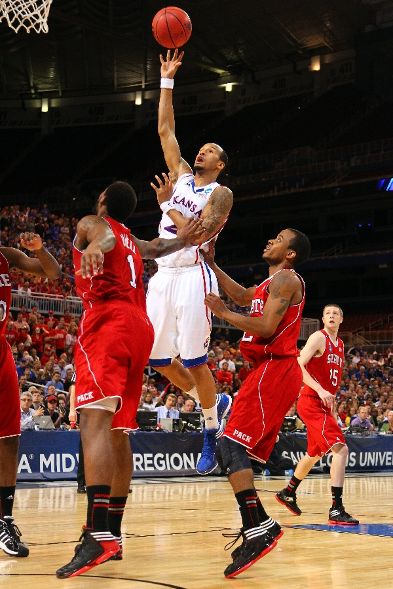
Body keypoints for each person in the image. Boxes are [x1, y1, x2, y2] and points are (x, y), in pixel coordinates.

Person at [56, 180, 204, 578]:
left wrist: (91, 247)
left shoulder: (95, 223)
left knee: (93, 422)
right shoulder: (133, 240)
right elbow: (158, 248)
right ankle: (114, 535)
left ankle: (96, 533)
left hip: (108, 320)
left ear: (102, 201)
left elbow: (101, 236)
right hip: (141, 327)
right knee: (119, 431)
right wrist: (185, 238)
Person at [204, 228, 310, 578]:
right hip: (268, 371)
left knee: (229, 444)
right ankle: (258, 525)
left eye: (279, 239)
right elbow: (243, 294)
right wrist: (213, 264)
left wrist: (222, 314)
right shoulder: (269, 284)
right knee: (230, 449)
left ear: (290, 254)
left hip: (276, 369)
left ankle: (259, 527)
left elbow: (265, 326)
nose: (269, 240)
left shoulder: (288, 280)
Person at [146, 49, 234, 475]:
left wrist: (168, 207)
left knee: (196, 362)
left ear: (220, 164)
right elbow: (165, 129)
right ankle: (214, 401)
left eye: (210, 150)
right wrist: (166, 80)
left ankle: (211, 428)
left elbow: (197, 235)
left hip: (194, 277)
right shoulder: (181, 174)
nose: (200, 152)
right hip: (163, 275)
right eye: (200, 148)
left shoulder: (221, 194)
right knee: (160, 360)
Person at [0, 232, 60, 556]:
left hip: (1, 354)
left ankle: (5, 519)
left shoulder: (6, 255)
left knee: (10, 439)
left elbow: (52, 274)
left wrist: (40, 249)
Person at [276, 304, 359, 526]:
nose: (332, 316)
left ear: (341, 319)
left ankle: (288, 491)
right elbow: (297, 365)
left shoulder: (340, 345)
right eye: (328, 313)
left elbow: (332, 379)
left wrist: (331, 401)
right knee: (341, 448)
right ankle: (336, 508)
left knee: (314, 454)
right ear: (323, 319)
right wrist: (320, 390)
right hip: (310, 401)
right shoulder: (317, 337)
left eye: (336, 314)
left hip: (324, 404)